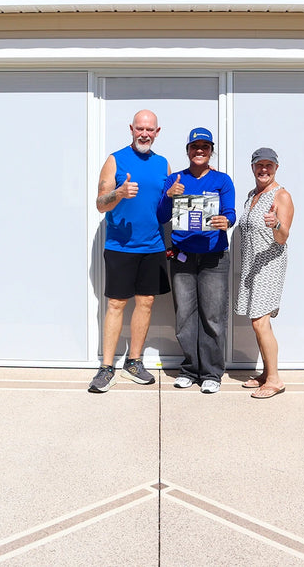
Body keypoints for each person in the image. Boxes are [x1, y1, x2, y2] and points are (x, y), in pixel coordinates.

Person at [89, 109, 172, 393]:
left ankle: (134, 362)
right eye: (140, 128)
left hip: (153, 246)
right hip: (120, 246)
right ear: (131, 129)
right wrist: (119, 193)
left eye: (150, 129)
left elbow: (166, 209)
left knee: (146, 302)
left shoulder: (163, 164)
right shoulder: (116, 160)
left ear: (157, 132)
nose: (144, 134)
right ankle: (106, 367)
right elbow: (101, 203)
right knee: (116, 304)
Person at [158, 127, 236, 394]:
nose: (199, 151)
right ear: (188, 150)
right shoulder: (175, 179)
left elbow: (230, 212)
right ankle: (190, 369)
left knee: (213, 317)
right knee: (185, 317)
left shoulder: (222, 180)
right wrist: (169, 196)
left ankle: (212, 372)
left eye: (205, 147)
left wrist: (227, 221)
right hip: (182, 257)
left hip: (214, 257)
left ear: (211, 150)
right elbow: (161, 216)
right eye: (195, 147)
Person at [235, 147, 294, 399]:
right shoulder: (252, 195)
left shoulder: (282, 196)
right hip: (251, 264)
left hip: (269, 264)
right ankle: (266, 373)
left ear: (276, 168)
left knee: (261, 321)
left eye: (269, 165)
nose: (264, 169)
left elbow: (282, 238)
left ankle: (274, 379)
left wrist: (276, 224)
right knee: (256, 322)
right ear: (252, 167)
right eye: (260, 165)